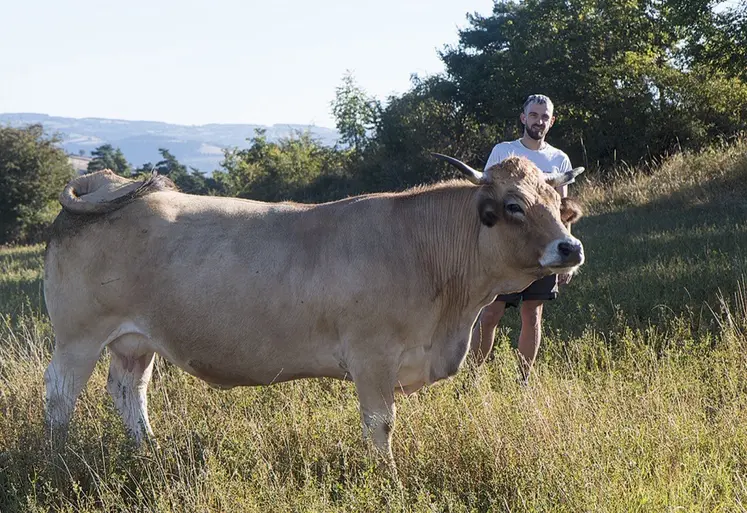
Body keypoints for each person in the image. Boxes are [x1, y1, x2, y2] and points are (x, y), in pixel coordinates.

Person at [471, 94, 575, 383]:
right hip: (506, 248)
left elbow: (562, 211)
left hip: (543, 248)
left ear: (551, 121)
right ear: (523, 117)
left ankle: (524, 381)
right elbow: (488, 197)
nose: (538, 121)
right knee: (491, 313)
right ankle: (473, 379)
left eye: (544, 116)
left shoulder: (559, 159)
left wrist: (565, 254)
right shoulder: (503, 151)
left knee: (532, 315)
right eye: (533, 115)